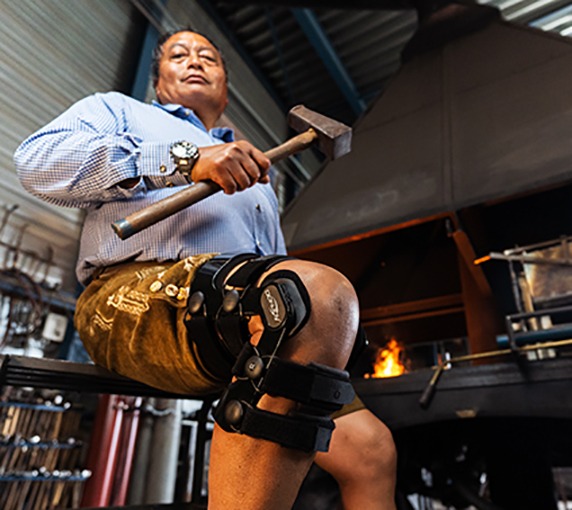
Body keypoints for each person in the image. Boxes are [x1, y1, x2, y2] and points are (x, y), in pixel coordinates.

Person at [15, 29, 397, 509]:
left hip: (237, 319)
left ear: (226, 89)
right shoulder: (119, 111)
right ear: (158, 82)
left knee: (371, 451)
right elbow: (36, 162)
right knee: (306, 297)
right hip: (128, 298)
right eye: (179, 55)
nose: (194, 61)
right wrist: (185, 159)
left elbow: (275, 262)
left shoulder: (255, 169)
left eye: (208, 57)